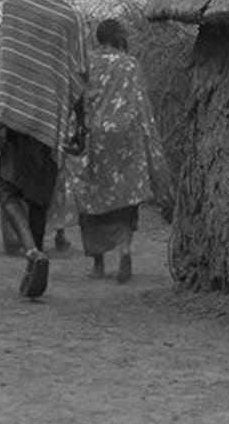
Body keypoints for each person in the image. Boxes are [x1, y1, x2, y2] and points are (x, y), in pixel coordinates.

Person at [0, 0, 88, 298]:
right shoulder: (71, 17)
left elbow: (8, 63)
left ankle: (32, 251)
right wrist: (81, 125)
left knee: (8, 190)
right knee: (39, 196)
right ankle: (36, 262)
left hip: (17, 115)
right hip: (52, 119)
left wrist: (1, 116)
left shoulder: (14, 6)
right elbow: (79, 73)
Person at [71, 19, 173, 283]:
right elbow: (140, 105)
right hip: (126, 137)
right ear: (118, 37)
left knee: (92, 196)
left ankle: (98, 265)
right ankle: (125, 252)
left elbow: (76, 100)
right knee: (125, 196)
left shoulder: (87, 63)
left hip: (95, 138)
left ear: (98, 38)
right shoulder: (130, 64)